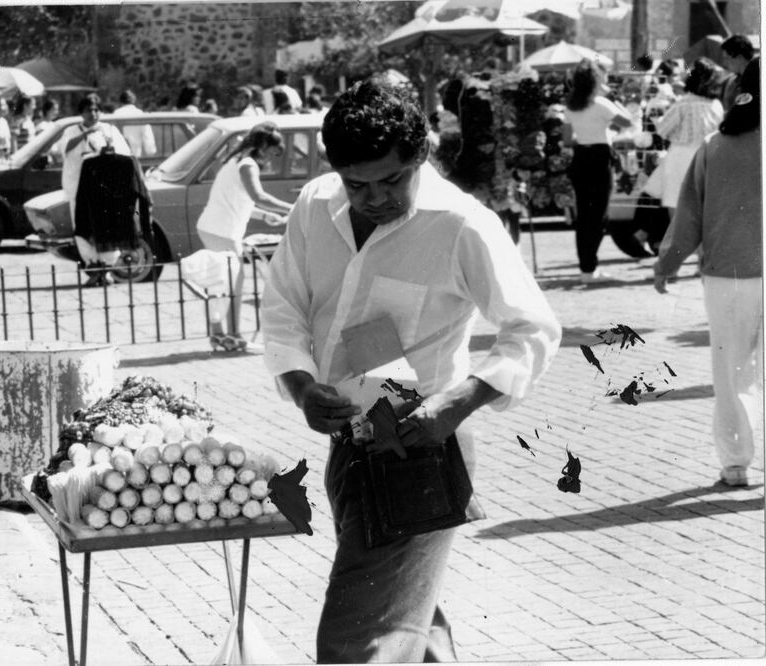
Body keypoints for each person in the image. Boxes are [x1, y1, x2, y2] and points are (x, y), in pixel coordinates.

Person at [260, 79, 561, 662]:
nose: (373, 198)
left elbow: (533, 328)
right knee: (409, 621)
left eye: (391, 180)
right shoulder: (315, 205)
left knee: (356, 638)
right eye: (357, 184)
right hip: (347, 447)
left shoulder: (461, 224)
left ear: (421, 155)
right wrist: (301, 387)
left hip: (418, 447)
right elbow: (282, 308)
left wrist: (461, 400)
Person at [654, 58, 762, 489]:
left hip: (728, 272)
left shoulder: (716, 145)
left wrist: (667, 264)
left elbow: (688, 216)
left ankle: (736, 463)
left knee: (731, 372)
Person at [196, 121, 293, 351]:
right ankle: (233, 336)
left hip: (214, 228)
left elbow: (241, 200)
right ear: (262, 147)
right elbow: (258, 196)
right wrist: (293, 207)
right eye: (271, 153)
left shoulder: (236, 161)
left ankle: (220, 335)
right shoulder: (248, 165)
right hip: (222, 231)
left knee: (220, 283)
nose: (270, 159)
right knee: (233, 285)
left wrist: (266, 216)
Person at [562, 59, 633, 284]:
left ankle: (587, 267)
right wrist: (614, 99)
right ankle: (589, 268)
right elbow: (627, 121)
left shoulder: (571, 105)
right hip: (600, 157)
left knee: (584, 215)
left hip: (581, 157)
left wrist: (586, 137)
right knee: (599, 215)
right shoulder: (602, 103)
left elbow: (566, 140)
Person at [55, 93, 131, 281]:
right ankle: (92, 266)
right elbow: (63, 150)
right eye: (89, 110)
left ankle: (106, 268)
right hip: (78, 188)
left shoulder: (109, 130)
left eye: (97, 110)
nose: (94, 114)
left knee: (106, 227)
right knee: (83, 227)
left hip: (103, 190)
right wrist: (85, 134)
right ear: (82, 112)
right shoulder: (72, 131)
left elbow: (124, 154)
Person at [654, 57, 723, 214]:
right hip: (708, 156)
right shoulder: (716, 105)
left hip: (681, 155)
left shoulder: (682, 104)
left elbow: (662, 130)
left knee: (677, 205)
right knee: (703, 206)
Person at [112, 89, 157, 158]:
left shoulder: (116, 114)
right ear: (133, 100)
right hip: (135, 156)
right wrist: (150, 151)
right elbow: (147, 134)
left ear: (121, 101)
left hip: (118, 155)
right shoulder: (140, 114)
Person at [720, 34, 755, 112]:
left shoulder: (758, 81)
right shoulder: (731, 82)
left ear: (739, 58)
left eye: (727, 58)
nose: (724, 63)